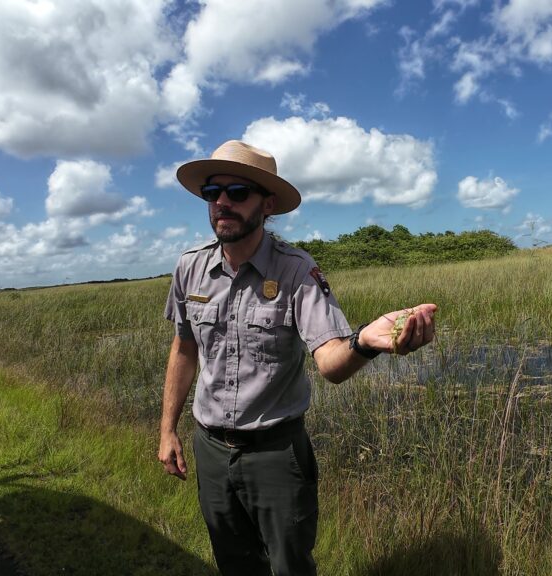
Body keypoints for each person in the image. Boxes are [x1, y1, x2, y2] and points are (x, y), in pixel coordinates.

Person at [158, 140, 437, 575]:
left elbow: (329, 362)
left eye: (237, 192)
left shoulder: (296, 271)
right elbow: (184, 350)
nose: (222, 203)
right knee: (233, 561)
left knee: (290, 565)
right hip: (209, 448)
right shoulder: (189, 268)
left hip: (276, 452)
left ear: (267, 204)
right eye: (213, 193)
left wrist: (365, 341)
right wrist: (167, 431)